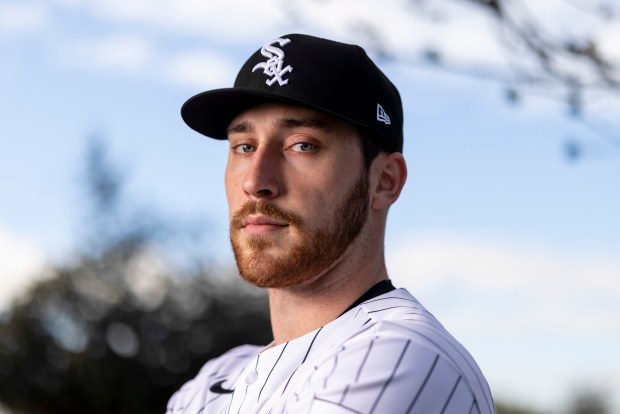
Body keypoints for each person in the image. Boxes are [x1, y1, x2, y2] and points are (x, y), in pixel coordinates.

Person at [166, 33, 494, 414]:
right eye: (244, 147)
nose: (255, 182)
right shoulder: (216, 378)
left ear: (384, 181)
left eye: (302, 145)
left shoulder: (401, 355)